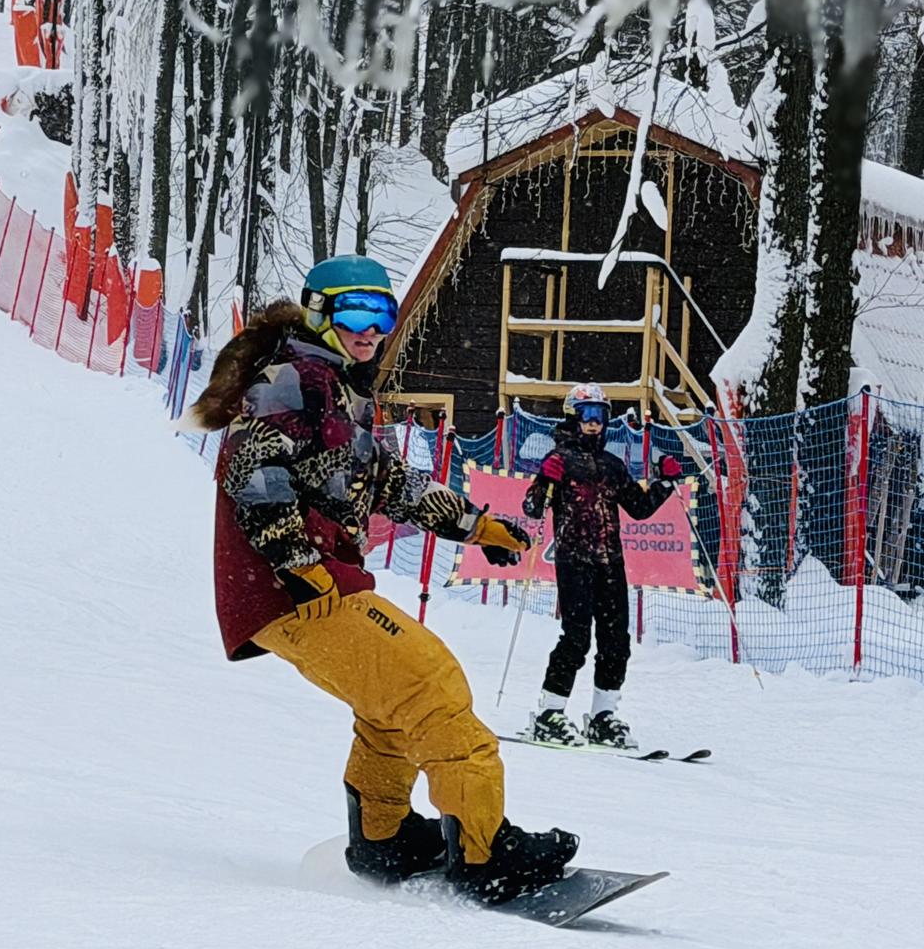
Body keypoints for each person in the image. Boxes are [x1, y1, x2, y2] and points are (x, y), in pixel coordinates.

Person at [190, 255, 578, 906]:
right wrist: (301, 565)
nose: (372, 330)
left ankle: (384, 836)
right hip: (299, 588)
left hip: (304, 586)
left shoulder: (338, 388)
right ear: (319, 312)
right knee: (431, 683)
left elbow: (388, 483)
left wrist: (475, 525)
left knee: (390, 704)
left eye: (384, 315)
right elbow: (252, 470)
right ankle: (485, 852)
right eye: (356, 313)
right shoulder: (295, 378)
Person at [521, 383, 683, 749]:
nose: (594, 424)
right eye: (587, 416)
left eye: (600, 416)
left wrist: (665, 481)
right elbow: (532, 507)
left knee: (616, 640)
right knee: (576, 637)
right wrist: (546, 477)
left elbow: (639, 508)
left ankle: (603, 715)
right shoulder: (560, 460)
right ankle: (550, 712)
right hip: (573, 559)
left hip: (611, 561)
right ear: (573, 418)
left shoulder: (612, 465)